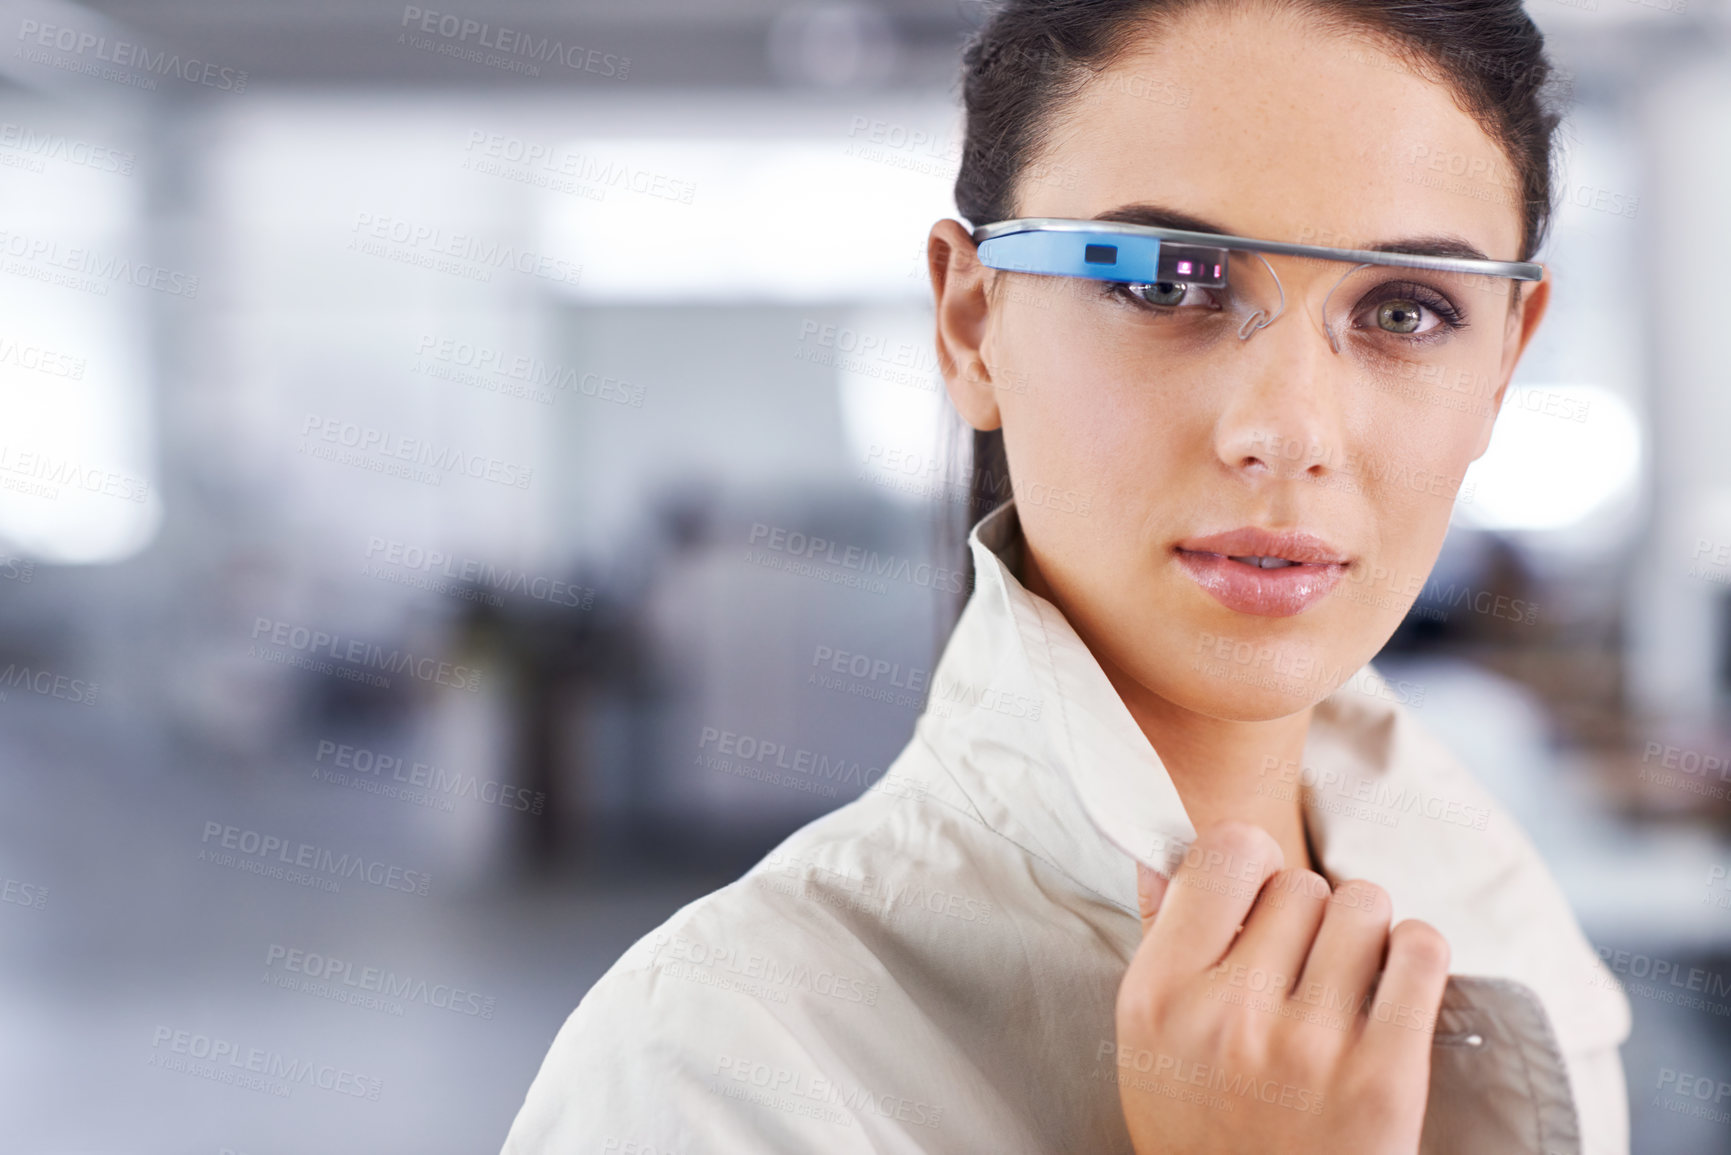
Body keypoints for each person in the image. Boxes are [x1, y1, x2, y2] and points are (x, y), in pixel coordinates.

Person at [500, 1, 1631, 1151]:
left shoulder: (1504, 920)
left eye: (1405, 309)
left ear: (1503, 360)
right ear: (970, 320)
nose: (1288, 432)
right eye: (1163, 282)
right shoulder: (714, 1066)